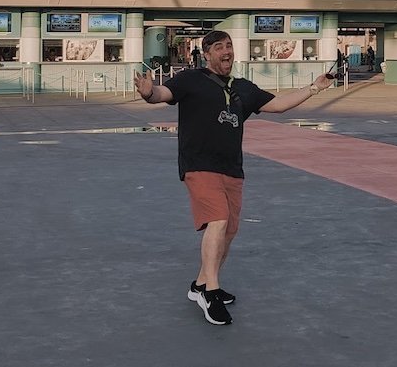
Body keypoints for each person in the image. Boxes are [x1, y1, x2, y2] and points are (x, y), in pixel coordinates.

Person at [133, 30, 332, 326]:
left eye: (229, 46)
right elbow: (162, 94)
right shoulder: (191, 79)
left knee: (228, 231)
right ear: (206, 53)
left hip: (231, 168)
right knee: (218, 220)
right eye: (218, 47)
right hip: (199, 164)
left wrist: (315, 88)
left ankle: (200, 284)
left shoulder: (243, 88)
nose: (226, 51)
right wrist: (149, 92)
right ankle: (210, 294)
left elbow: (277, 104)